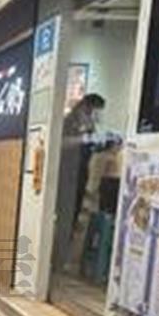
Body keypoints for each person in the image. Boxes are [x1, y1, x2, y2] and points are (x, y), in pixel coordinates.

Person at [53, 93, 106, 271]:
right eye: (95, 111)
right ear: (86, 107)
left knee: (72, 217)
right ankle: (55, 259)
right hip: (65, 174)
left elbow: (90, 147)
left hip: (80, 175)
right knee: (64, 216)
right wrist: (82, 139)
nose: (96, 115)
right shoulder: (69, 121)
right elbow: (59, 143)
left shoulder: (90, 125)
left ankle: (61, 259)